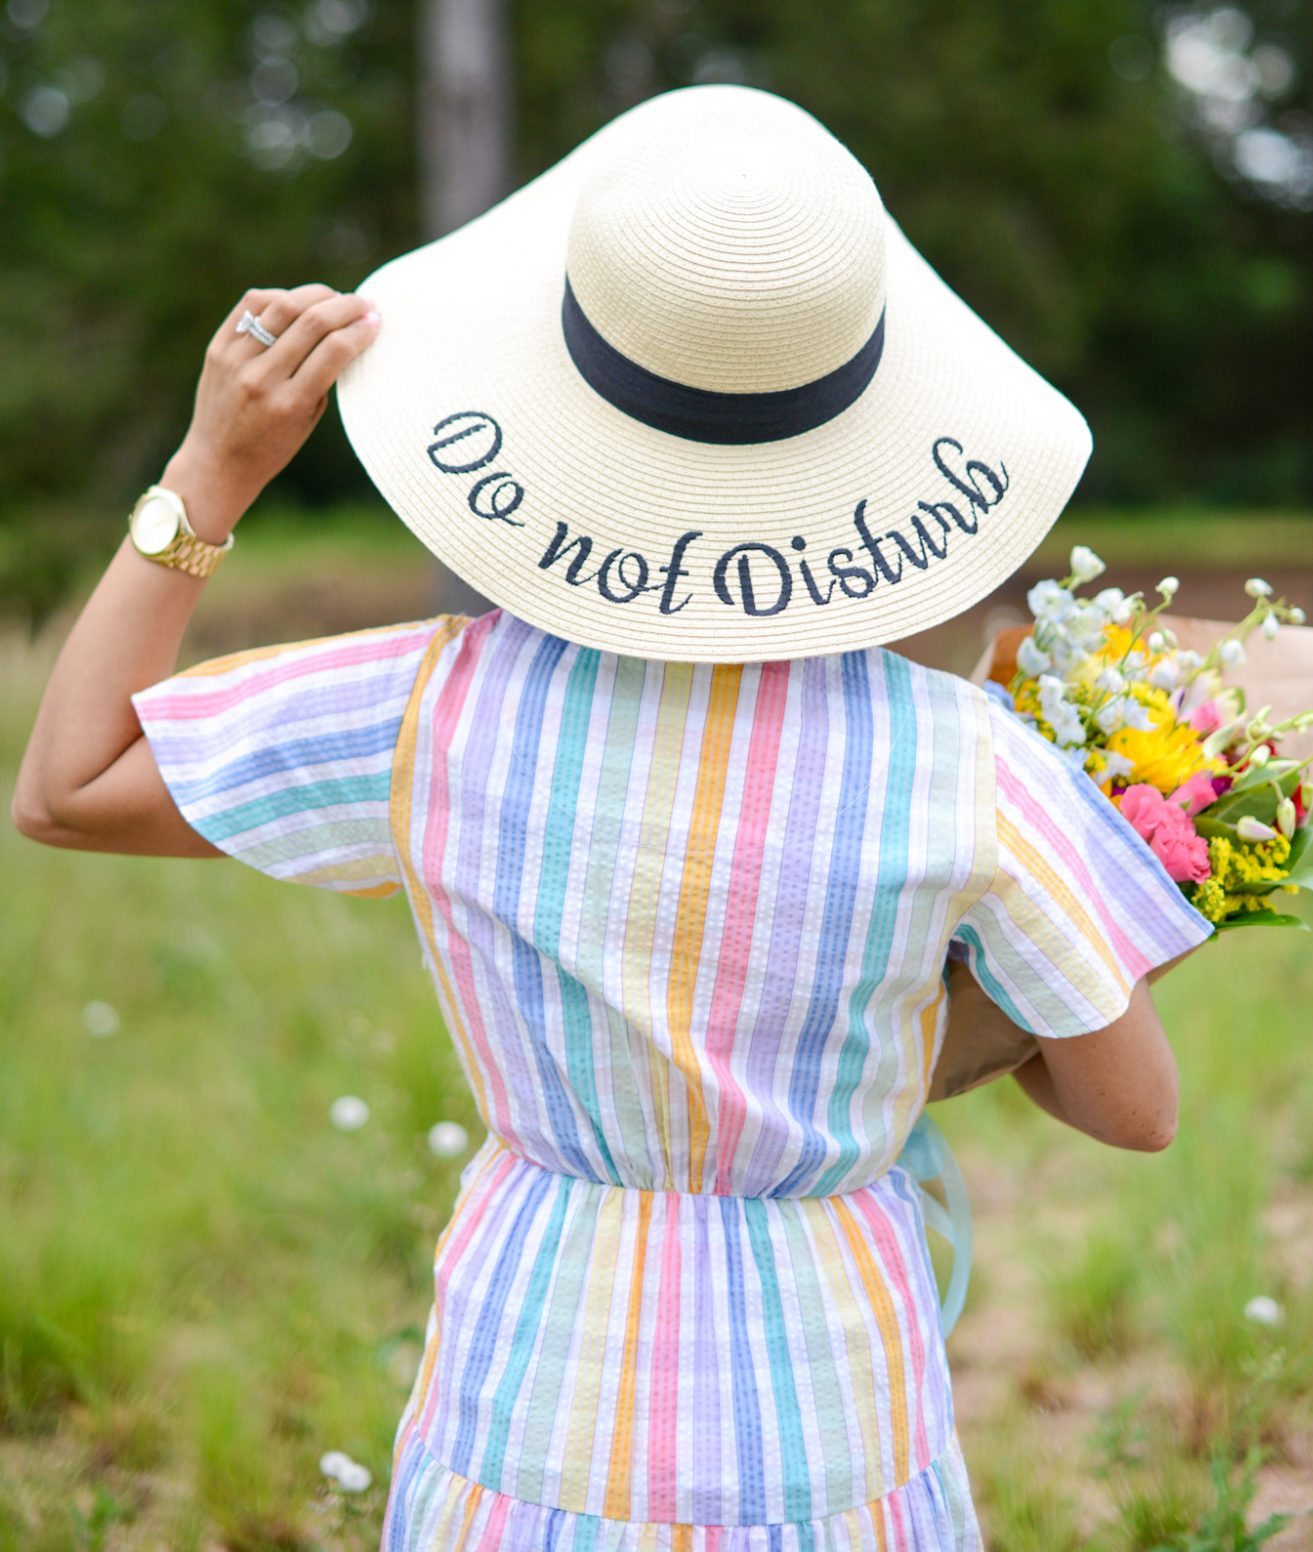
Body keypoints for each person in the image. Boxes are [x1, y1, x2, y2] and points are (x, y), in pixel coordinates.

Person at [15, 85, 1214, 1551]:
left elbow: (65, 790)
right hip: (829, 1424)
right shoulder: (965, 762)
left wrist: (216, 474)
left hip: (531, 1398)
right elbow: (1134, 1111)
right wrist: (967, 1006)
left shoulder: (436, 703)